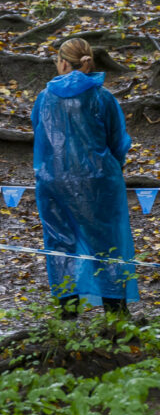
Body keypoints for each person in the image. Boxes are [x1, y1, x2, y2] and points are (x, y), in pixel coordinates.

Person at [32, 37, 138, 318]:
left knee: (61, 242)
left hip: (54, 181)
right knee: (107, 243)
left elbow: (40, 135)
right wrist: (110, 169)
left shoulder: (44, 98)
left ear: (63, 63)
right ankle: (116, 315)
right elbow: (118, 142)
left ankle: (67, 315)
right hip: (99, 182)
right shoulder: (103, 97)